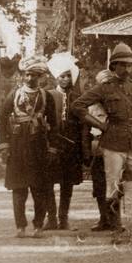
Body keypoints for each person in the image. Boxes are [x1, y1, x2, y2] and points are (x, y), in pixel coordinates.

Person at [71, 43, 132, 242]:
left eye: (130, 65)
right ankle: (115, 230)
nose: (127, 69)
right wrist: (100, 125)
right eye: (122, 65)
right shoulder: (104, 88)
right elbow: (77, 106)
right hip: (112, 143)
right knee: (113, 188)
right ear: (113, 66)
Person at [0, 55, 56, 238]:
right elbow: (3, 120)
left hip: (39, 147)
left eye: (34, 75)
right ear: (23, 75)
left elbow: (54, 124)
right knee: (19, 189)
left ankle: (38, 226)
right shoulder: (14, 95)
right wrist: (4, 147)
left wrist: (52, 148)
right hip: (17, 147)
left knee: (40, 189)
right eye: (27, 75)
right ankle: (20, 227)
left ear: (41, 77)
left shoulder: (46, 97)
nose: (30, 78)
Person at [45, 52, 85, 231]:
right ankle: (51, 218)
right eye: (62, 76)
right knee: (48, 181)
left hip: (71, 146)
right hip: (53, 145)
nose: (65, 79)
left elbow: (82, 122)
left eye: (68, 76)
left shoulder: (77, 97)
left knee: (67, 183)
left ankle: (63, 218)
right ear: (56, 77)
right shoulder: (49, 95)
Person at [82, 69, 116, 231]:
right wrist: (86, 150)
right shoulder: (91, 106)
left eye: (110, 83)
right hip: (97, 147)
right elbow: (85, 130)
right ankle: (104, 218)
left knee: (115, 184)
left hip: (116, 148)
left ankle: (115, 220)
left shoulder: (120, 104)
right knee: (99, 185)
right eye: (103, 84)